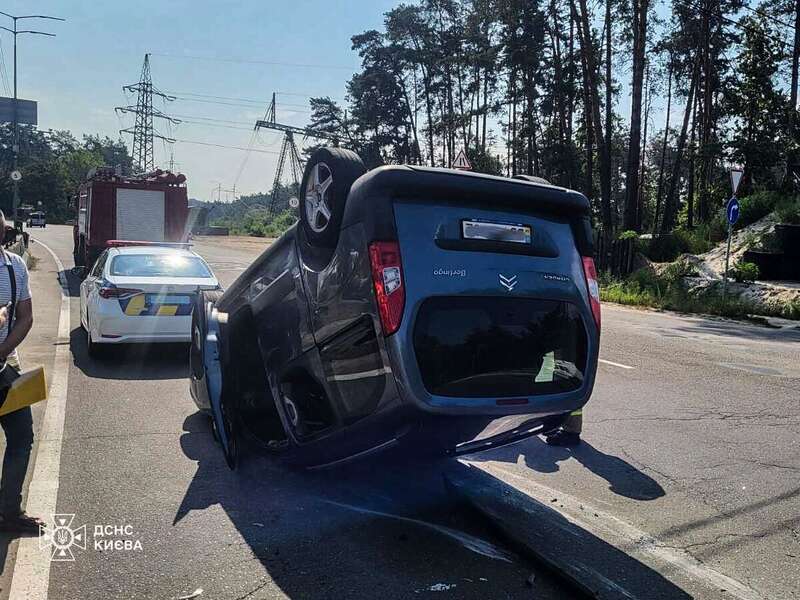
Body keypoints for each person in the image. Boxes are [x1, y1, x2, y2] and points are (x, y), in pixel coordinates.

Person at [0, 210, 42, 534]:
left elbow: (25, 317)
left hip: (6, 367)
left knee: (21, 437)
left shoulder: (15, 267)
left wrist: (2, 351)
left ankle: (9, 512)